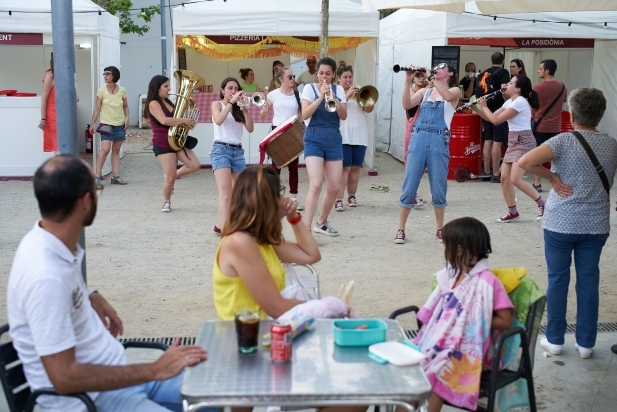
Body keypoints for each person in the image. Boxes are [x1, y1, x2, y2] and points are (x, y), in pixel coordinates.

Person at [7, 155, 213, 412]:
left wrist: (90, 293)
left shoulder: (49, 241)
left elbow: (60, 294)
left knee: (217, 391)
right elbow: (64, 378)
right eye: (97, 190)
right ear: (84, 201)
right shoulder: (45, 276)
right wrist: (155, 369)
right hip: (94, 400)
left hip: (118, 377)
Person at [518, 88, 617, 359]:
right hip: (596, 224)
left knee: (558, 279)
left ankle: (555, 340)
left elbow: (525, 162)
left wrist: (552, 178)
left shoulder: (562, 141)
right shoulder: (612, 144)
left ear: (571, 114)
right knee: (589, 280)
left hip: (560, 222)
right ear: (600, 114)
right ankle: (586, 344)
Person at [412, 217, 513, 412]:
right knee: (411, 371)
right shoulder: (450, 274)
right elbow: (439, 309)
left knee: (440, 373)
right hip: (440, 343)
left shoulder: (488, 282)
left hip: (469, 353)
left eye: (446, 246)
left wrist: (471, 318)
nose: (444, 251)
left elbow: (505, 321)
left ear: (458, 250)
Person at [213, 166, 320, 320]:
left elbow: (311, 255)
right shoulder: (240, 242)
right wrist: (324, 307)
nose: (283, 200)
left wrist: (294, 217)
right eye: (278, 194)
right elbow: (276, 308)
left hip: (265, 334)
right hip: (243, 339)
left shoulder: (259, 238)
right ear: (268, 202)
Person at [395, 62, 459, 245]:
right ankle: (400, 229)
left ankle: (440, 228)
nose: (437, 68)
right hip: (419, 138)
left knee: (438, 186)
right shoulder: (424, 92)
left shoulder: (454, 91)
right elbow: (406, 104)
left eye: (442, 67)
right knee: (409, 184)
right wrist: (407, 82)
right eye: (435, 67)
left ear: (450, 73)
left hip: (439, 140)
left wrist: (430, 76)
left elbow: (447, 96)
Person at [472, 75, 545, 222]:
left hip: (523, 140)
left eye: (511, 83)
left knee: (516, 179)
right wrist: (476, 108)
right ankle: (512, 211)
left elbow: (496, 121)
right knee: (504, 179)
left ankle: (543, 205)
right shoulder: (510, 102)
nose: (507, 85)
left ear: (517, 88)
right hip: (513, 140)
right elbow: (490, 117)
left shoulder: (520, 102)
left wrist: (485, 106)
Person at [301, 57, 347, 236]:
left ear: (334, 74)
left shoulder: (339, 90)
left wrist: (333, 97)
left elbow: (343, 116)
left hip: (334, 138)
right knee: (316, 184)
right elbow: (305, 114)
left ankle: (321, 223)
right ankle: (305, 230)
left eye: (328, 74)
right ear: (317, 73)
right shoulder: (309, 88)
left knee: (334, 187)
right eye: (321, 73)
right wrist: (321, 96)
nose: (324, 77)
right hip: (313, 138)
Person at [145, 75, 201, 212]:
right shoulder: (153, 103)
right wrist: (184, 120)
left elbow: (177, 119)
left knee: (195, 165)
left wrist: (188, 117)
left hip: (177, 139)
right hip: (163, 142)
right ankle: (166, 201)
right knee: (170, 178)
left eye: (169, 85)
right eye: (166, 86)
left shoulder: (169, 102)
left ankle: (172, 175)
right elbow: (164, 121)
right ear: (157, 88)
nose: (169, 89)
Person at [211, 77, 254, 234]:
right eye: (230, 88)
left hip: (238, 151)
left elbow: (250, 129)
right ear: (222, 90)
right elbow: (219, 120)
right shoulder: (217, 104)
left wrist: (244, 110)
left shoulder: (238, 108)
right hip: (220, 150)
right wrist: (231, 102)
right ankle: (224, 230)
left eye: (236, 88)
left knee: (242, 191)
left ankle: (224, 224)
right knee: (225, 192)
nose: (233, 91)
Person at [261, 66, 304, 211]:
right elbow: (264, 113)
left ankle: (294, 199)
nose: (293, 79)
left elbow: (302, 115)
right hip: (277, 131)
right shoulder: (273, 95)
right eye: (290, 77)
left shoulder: (298, 94)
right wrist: (265, 109)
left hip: (292, 131)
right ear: (281, 79)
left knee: (294, 168)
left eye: (293, 76)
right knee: (276, 166)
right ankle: (274, 198)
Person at [333, 64, 374, 211]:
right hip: (342, 134)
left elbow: (369, 109)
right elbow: (333, 109)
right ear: (338, 78)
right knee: (344, 168)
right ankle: (338, 199)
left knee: (356, 168)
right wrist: (346, 96)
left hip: (359, 134)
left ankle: (352, 196)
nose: (348, 80)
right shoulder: (335, 92)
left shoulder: (358, 90)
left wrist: (363, 98)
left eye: (350, 76)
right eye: (345, 77)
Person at [89, 66, 129, 188]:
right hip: (106, 124)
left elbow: (126, 106)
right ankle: (97, 176)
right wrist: (92, 123)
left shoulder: (122, 90)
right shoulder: (101, 91)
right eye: (104, 74)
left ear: (114, 76)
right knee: (105, 150)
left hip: (119, 125)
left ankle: (115, 176)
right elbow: (97, 108)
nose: (105, 76)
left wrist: (127, 118)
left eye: (107, 74)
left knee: (116, 150)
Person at [531, 59, 567, 193]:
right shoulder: (563, 87)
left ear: (547, 71)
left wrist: (533, 117)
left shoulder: (537, 87)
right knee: (555, 157)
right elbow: (562, 103)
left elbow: (533, 107)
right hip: (556, 126)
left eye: (540, 69)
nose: (538, 71)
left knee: (536, 156)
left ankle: (537, 183)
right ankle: (557, 181)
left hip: (540, 126)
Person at [477, 52, 511, 183]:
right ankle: (496, 173)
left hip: (485, 109)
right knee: (497, 141)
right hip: (499, 110)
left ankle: (486, 171)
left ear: (491, 61)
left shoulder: (483, 73)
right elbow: (504, 89)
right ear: (503, 61)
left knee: (488, 139)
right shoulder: (503, 72)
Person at [403, 71, 430, 208]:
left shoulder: (430, 90)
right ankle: (411, 194)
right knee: (412, 166)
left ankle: (412, 193)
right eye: (418, 75)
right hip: (413, 132)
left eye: (423, 75)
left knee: (421, 167)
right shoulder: (414, 93)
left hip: (426, 132)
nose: (421, 78)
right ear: (413, 78)